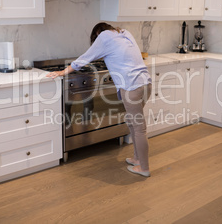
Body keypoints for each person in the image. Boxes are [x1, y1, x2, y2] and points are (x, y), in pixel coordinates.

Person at [46, 22, 152, 177]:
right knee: (132, 123)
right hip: (146, 84)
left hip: (131, 86)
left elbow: (85, 58)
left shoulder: (104, 37)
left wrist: (63, 72)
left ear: (97, 35)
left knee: (138, 128)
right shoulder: (124, 33)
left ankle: (144, 167)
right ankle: (137, 158)